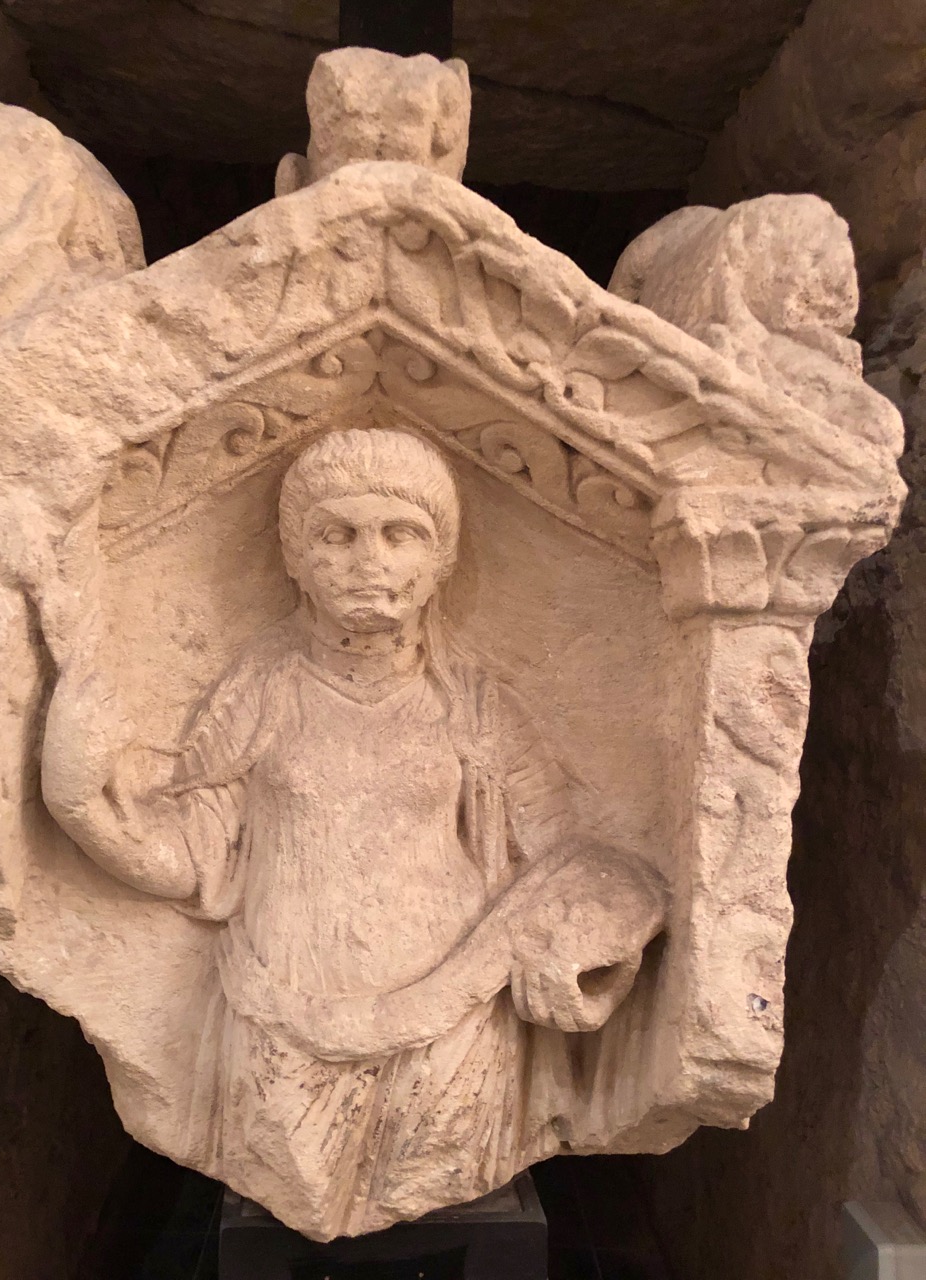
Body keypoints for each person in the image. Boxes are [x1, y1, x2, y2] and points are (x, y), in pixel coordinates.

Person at [43, 427, 662, 1237]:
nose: (368, 560)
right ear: (295, 558)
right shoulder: (261, 689)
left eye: (400, 534)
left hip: (451, 1028)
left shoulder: (476, 707)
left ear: (441, 559)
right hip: (279, 1020)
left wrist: (592, 933)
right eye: (337, 535)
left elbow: (571, 857)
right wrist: (78, 802)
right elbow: (193, 856)